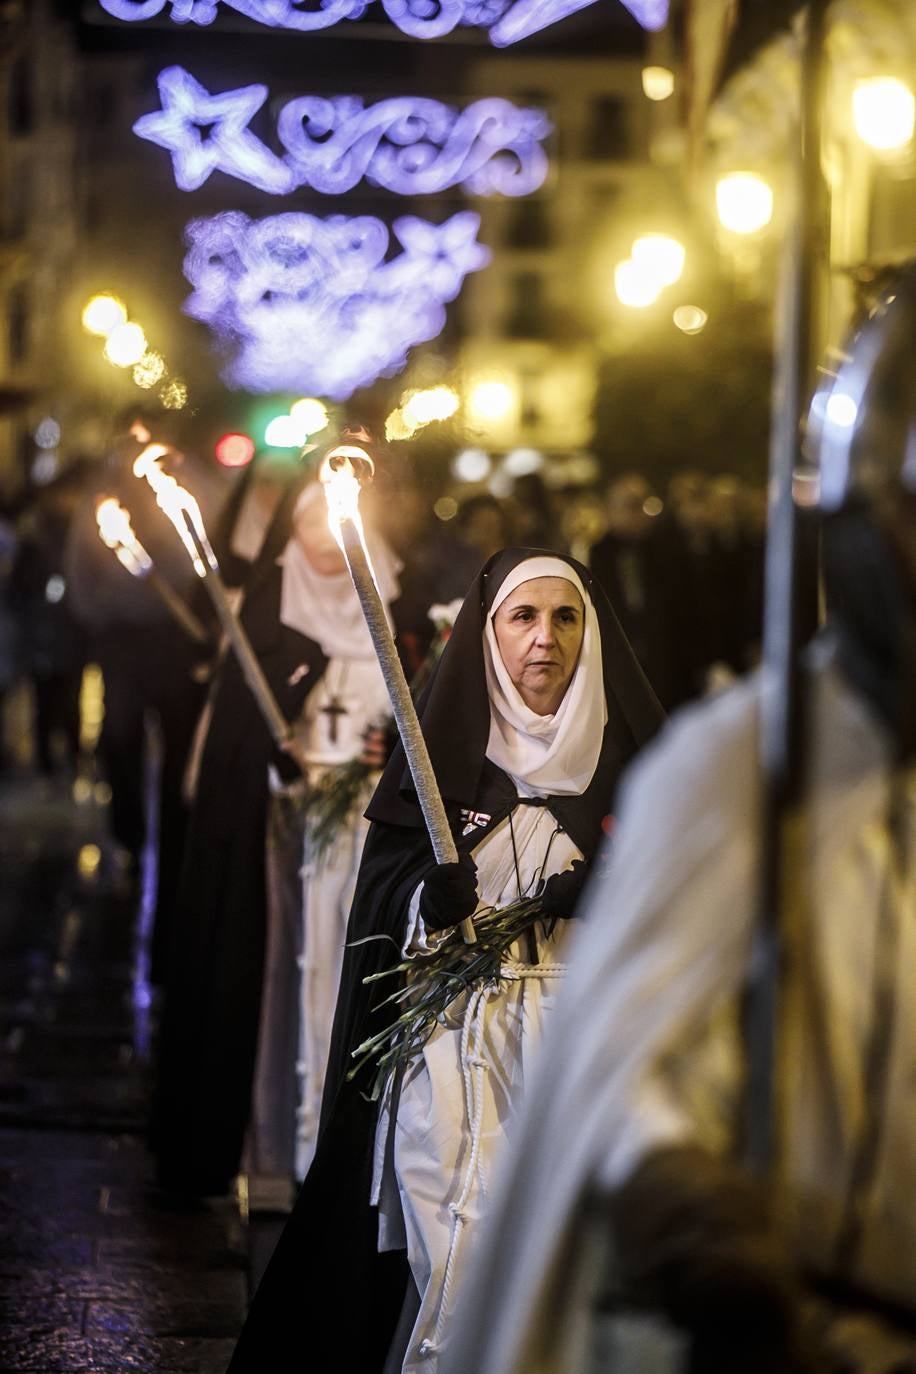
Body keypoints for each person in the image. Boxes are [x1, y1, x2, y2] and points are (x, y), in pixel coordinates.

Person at [438, 268, 916, 1374]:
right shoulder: (739, 776)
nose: (544, 642)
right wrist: (691, 1207)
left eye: (564, 618)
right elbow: (632, 1073)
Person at [227, 547, 663, 1373]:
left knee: (560, 1256)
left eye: (565, 617)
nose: (545, 640)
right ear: (488, 633)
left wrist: (613, 895)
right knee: (458, 1241)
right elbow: (383, 904)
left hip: (583, 1046)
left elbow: (679, 904)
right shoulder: (440, 769)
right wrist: (429, 903)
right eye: (523, 618)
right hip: (451, 1041)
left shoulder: (637, 767)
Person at [152, 447, 405, 1199]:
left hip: (368, 835)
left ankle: (345, 1153)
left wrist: (386, 748)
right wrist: (272, 756)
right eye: (309, 523)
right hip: (278, 839)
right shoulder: (265, 610)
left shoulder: (401, 603)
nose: (325, 541)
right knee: (276, 976)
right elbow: (234, 738)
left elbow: (420, 716)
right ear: (293, 528)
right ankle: (269, 1145)